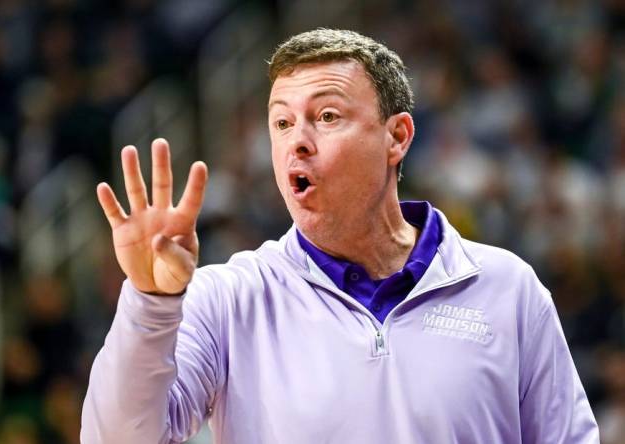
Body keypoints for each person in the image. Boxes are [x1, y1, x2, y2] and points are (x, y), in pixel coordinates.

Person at [81, 29, 599, 443]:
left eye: (326, 116)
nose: (296, 143)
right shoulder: (228, 299)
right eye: (281, 123)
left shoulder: (508, 289)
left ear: (397, 137)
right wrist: (150, 303)